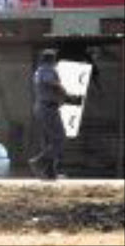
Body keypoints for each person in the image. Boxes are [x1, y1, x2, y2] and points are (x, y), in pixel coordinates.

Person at [29, 49, 81, 180]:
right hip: (48, 108)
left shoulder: (40, 70)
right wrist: (65, 92)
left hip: (44, 107)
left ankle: (50, 173)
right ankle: (38, 161)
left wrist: (64, 99)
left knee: (50, 141)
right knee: (60, 139)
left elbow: (48, 88)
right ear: (51, 59)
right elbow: (52, 83)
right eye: (54, 58)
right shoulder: (48, 69)